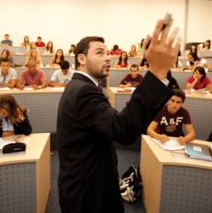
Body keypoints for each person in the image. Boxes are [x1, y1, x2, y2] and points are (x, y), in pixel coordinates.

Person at [57, 17, 181, 213]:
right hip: (89, 193)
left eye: (108, 53)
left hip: (88, 182)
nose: (108, 58)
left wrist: (161, 72)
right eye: (99, 53)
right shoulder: (83, 91)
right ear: (81, 58)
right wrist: (156, 72)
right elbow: (123, 130)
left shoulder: (81, 87)